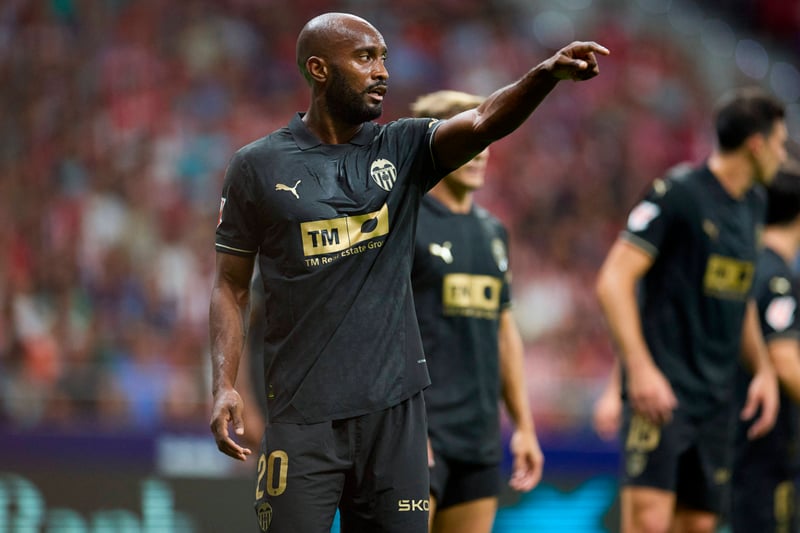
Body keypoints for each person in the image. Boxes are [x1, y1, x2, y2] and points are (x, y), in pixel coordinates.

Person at [208, 11, 608, 533]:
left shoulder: (402, 148)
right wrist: (225, 384)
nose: (382, 72)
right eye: (365, 58)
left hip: (394, 417)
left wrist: (545, 75)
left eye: (384, 58)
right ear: (319, 69)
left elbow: (484, 120)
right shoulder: (257, 166)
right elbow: (230, 285)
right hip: (302, 417)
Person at [594, 86, 786, 533]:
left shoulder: (753, 205)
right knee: (649, 522)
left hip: (717, 398)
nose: (782, 155)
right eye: (779, 143)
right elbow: (613, 281)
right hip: (662, 392)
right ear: (756, 144)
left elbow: (739, 296)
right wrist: (640, 370)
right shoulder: (678, 193)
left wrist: (762, 370)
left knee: (700, 524)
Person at [408, 90, 544, 533]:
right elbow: (377, 329)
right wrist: (400, 425)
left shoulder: (493, 233)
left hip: (479, 438)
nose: (481, 153)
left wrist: (523, 426)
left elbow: (505, 333)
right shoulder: (405, 223)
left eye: (485, 141)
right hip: (419, 431)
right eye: (470, 140)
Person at [730, 161, 800, 533]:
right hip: (764, 447)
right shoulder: (776, 278)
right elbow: (785, 362)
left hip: (735, 435)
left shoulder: (746, 264)